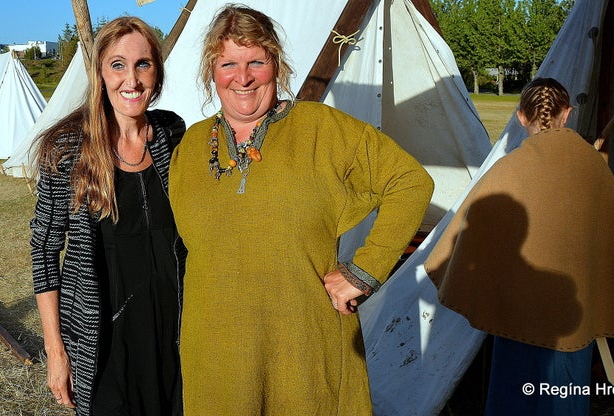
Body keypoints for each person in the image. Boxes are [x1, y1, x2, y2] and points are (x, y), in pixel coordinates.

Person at [167, 5, 434, 415]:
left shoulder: (322, 128)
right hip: (216, 356)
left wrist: (363, 271)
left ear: (277, 64)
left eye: (257, 61)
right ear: (211, 71)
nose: (243, 77)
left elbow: (410, 182)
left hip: (304, 350)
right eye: (228, 64)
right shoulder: (190, 147)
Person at [425, 78, 614, 415]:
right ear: (568, 113)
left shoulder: (508, 169)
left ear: (520, 117)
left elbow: (463, 239)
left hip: (515, 319)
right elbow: (610, 243)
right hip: (573, 321)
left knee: (514, 402)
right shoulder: (595, 169)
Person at [29, 16, 186, 416]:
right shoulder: (66, 148)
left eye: (142, 64)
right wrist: (55, 351)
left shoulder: (172, 134)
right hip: (103, 338)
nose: (130, 80)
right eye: (117, 65)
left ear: (157, 71)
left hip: (174, 333)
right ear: (100, 72)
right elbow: (44, 251)